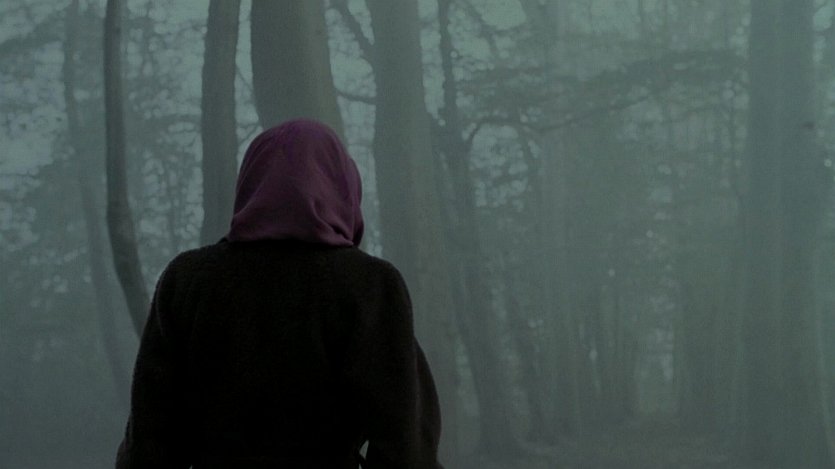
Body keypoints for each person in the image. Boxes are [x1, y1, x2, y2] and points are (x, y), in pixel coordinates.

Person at [115, 119, 443, 468]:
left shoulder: (187, 281)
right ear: (342, 186)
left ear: (252, 183)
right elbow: (405, 445)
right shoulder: (368, 286)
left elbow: (150, 441)